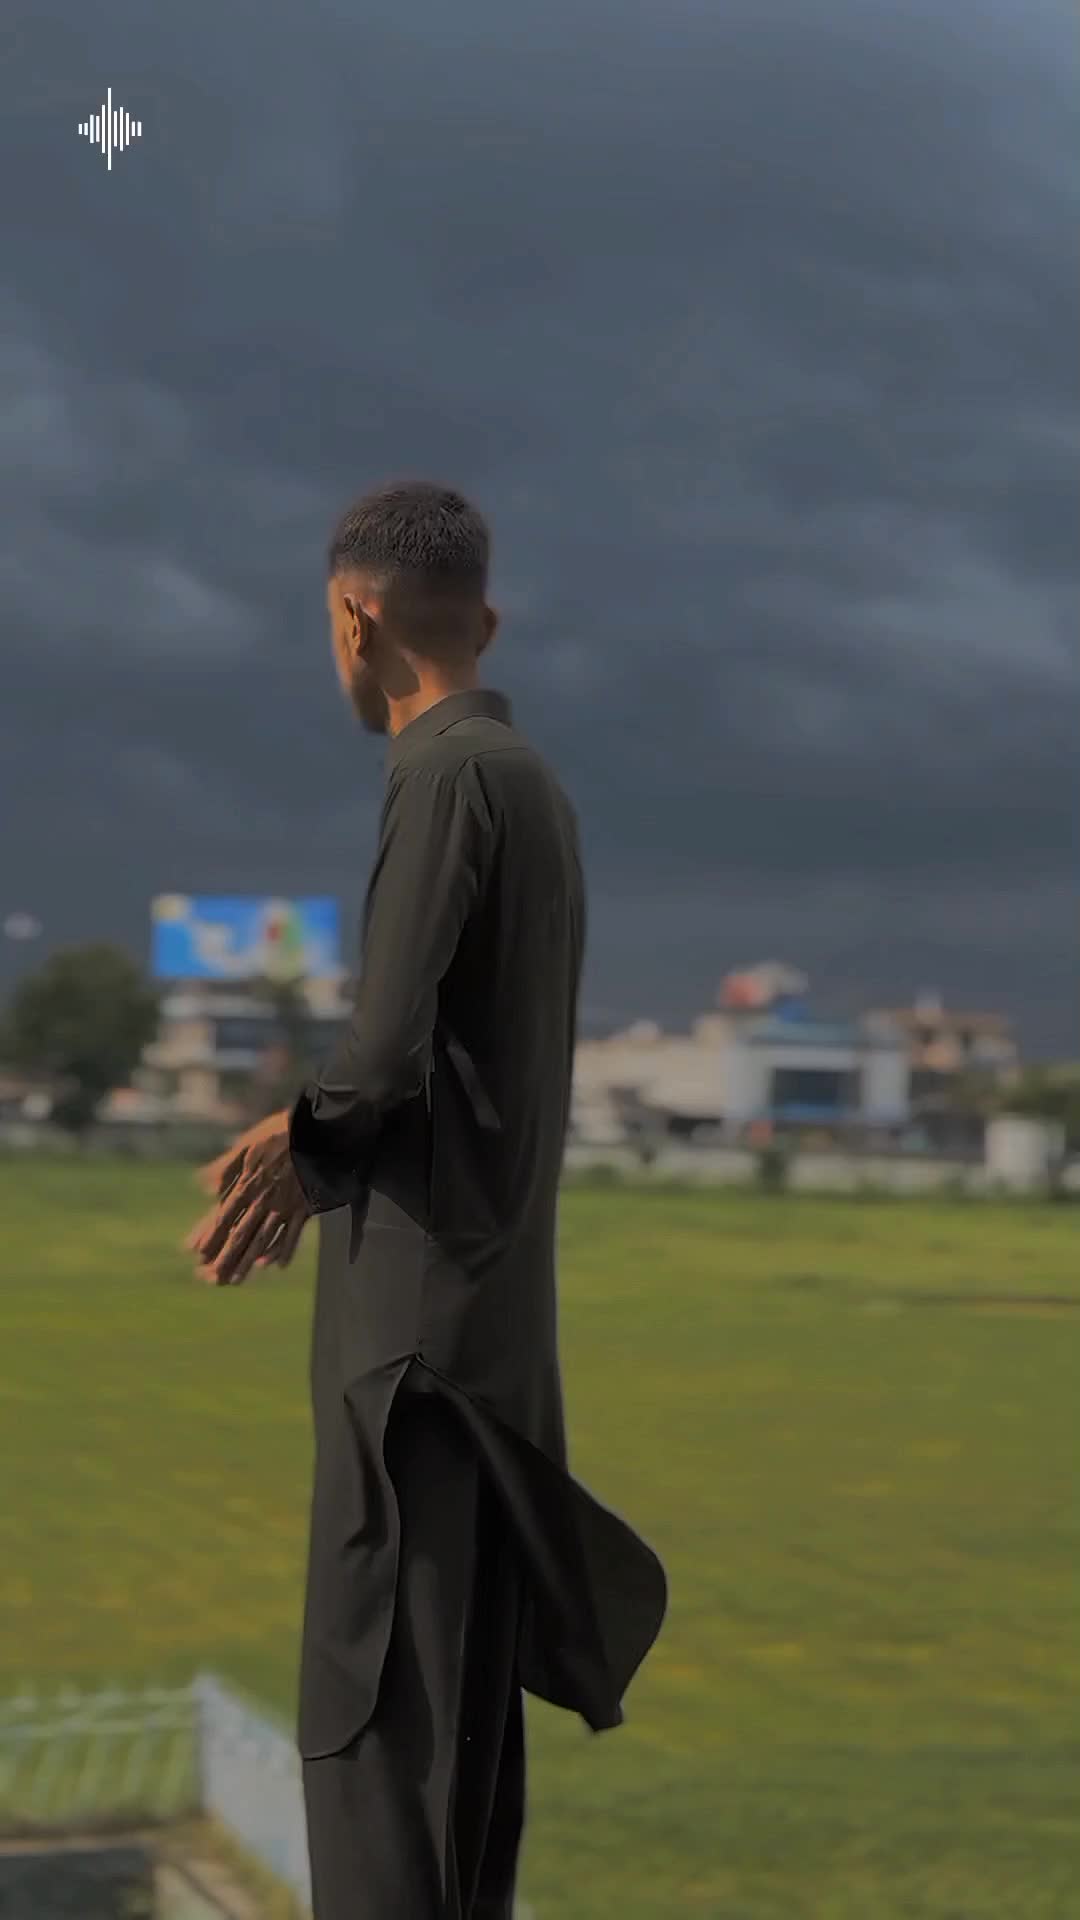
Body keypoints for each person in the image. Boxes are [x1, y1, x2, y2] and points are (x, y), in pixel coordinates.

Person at [186, 481, 667, 1919]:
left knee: (378, 1737)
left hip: (409, 1357)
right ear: (486, 622)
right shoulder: (530, 782)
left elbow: (385, 1044)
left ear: (355, 619)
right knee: (457, 1759)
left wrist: (303, 1144)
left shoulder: (443, 775)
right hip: (486, 1347)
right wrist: (313, 1133)